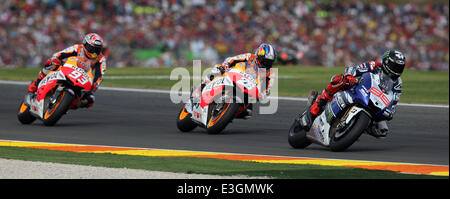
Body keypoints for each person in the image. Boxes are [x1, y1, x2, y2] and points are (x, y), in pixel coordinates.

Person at [298, 50, 405, 138]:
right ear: (386, 62)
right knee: (340, 79)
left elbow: (394, 102)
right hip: (358, 89)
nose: (396, 70)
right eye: (394, 66)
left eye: (400, 68)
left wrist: (390, 112)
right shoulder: (374, 66)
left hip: (375, 104)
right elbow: (354, 70)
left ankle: (353, 129)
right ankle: (316, 107)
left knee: (382, 130)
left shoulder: (398, 83)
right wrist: (351, 76)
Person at [27, 33, 106, 108]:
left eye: (97, 50)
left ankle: (66, 106)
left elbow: (100, 75)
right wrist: (56, 59)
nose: (94, 52)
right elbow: (61, 53)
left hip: (83, 79)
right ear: (85, 44)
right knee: (51, 63)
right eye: (91, 48)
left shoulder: (101, 59)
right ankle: (33, 88)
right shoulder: (78, 48)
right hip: (68, 69)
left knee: (90, 99)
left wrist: (95, 85)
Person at [203, 43, 277, 119]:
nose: (266, 64)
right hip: (233, 75)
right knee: (217, 69)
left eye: (269, 62)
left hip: (248, 88)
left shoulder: (270, 73)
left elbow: (268, 88)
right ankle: (202, 88)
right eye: (264, 61)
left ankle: (227, 113)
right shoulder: (249, 57)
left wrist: (262, 94)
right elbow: (232, 59)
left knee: (248, 112)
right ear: (258, 55)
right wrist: (226, 65)